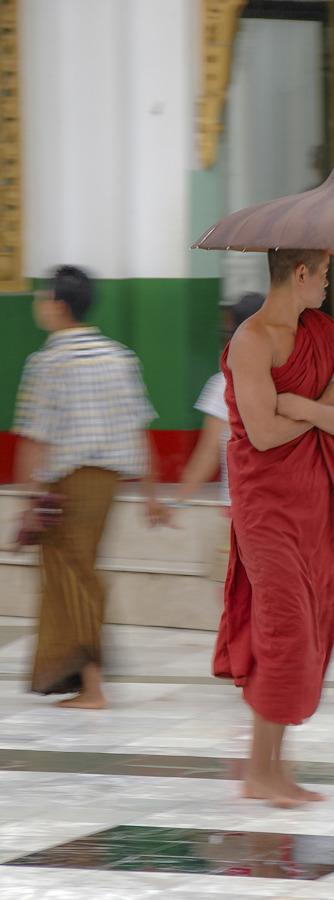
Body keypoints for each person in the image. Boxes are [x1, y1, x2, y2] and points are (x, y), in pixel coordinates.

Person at [213, 248, 334, 808]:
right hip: (266, 509)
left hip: (314, 503)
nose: (327, 284)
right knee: (284, 630)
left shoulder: (322, 330)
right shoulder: (251, 341)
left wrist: (301, 402)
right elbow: (261, 433)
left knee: (315, 626)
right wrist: (316, 408)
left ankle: (276, 770)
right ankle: (260, 772)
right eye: (323, 274)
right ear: (299, 274)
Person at [12, 265, 159, 708]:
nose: (38, 304)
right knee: (78, 572)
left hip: (68, 486)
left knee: (73, 577)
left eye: (41, 297)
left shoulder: (47, 361)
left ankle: (92, 686)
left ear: (58, 306)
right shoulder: (119, 355)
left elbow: (35, 438)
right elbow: (140, 429)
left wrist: (29, 498)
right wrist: (152, 495)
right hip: (107, 484)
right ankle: (72, 675)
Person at [167, 293, 265, 580]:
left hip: (239, 517)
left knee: (235, 604)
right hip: (283, 517)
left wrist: (179, 501)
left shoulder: (223, 384)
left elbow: (208, 452)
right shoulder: (292, 382)